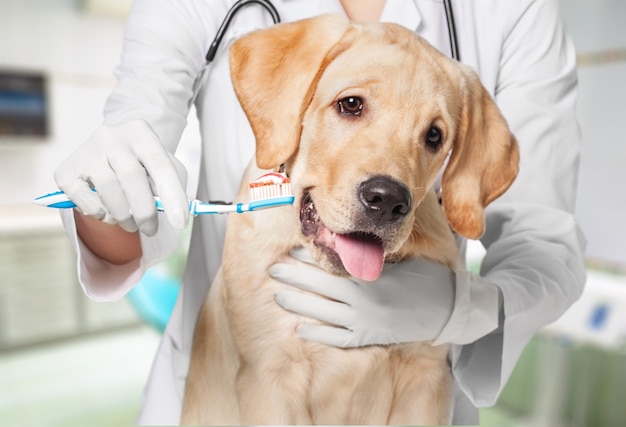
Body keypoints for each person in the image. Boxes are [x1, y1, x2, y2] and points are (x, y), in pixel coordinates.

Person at [52, 0, 586, 425]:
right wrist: (111, 190)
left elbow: (546, 245)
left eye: (432, 136)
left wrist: (460, 309)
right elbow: (133, 183)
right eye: (351, 105)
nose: (388, 188)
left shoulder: (518, 10)